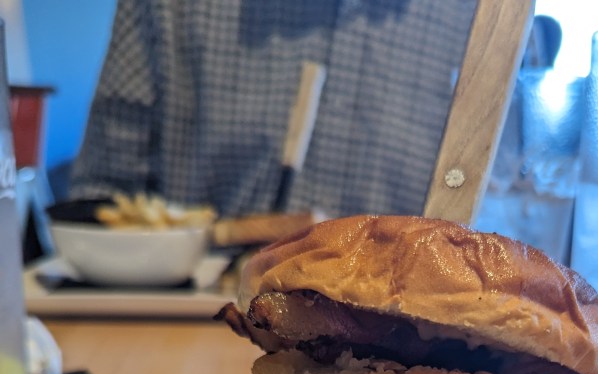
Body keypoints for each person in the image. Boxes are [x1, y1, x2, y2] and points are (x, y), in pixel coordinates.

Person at [68, 1, 562, 221]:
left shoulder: (493, 18)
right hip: (191, 334)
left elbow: (512, 210)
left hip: (412, 355)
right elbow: (101, 199)